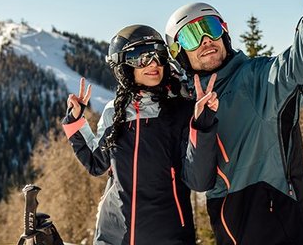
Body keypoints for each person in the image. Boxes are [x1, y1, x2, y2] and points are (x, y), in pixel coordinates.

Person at [164, 0, 303, 244]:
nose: (206, 39)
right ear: (179, 52)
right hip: (229, 232)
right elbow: (198, 181)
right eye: (192, 35)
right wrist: (202, 125)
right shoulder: (186, 106)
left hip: (281, 226)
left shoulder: (259, 80)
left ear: (225, 33)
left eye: (211, 27)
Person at [61, 25, 219, 245]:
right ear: (123, 66)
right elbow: (96, 162)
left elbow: (199, 181)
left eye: (158, 55)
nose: (153, 63)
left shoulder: (180, 111)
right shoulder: (114, 113)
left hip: (168, 237)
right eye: (140, 57)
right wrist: (76, 121)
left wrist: (202, 125)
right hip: (112, 237)